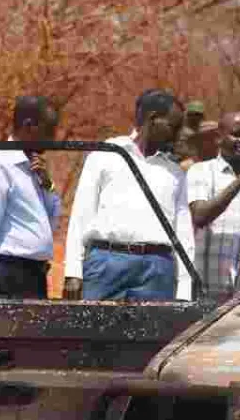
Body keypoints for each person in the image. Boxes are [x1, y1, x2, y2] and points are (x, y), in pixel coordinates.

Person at [63, 89, 193, 302]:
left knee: (156, 335)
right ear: (152, 120)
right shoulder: (106, 154)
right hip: (106, 265)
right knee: (94, 332)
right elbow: (81, 216)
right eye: (173, 126)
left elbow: (183, 232)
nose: (177, 134)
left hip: (157, 270)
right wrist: (73, 272)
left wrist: (185, 288)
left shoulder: (175, 172)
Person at [0, 96, 61, 298]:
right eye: (48, 130)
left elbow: (52, 222)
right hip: (10, 273)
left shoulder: (34, 165)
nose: (53, 138)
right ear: (29, 125)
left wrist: (48, 185)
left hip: (35, 274)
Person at [186, 112, 240, 298]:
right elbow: (200, 216)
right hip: (210, 285)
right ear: (218, 138)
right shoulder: (201, 171)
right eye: (237, 134)